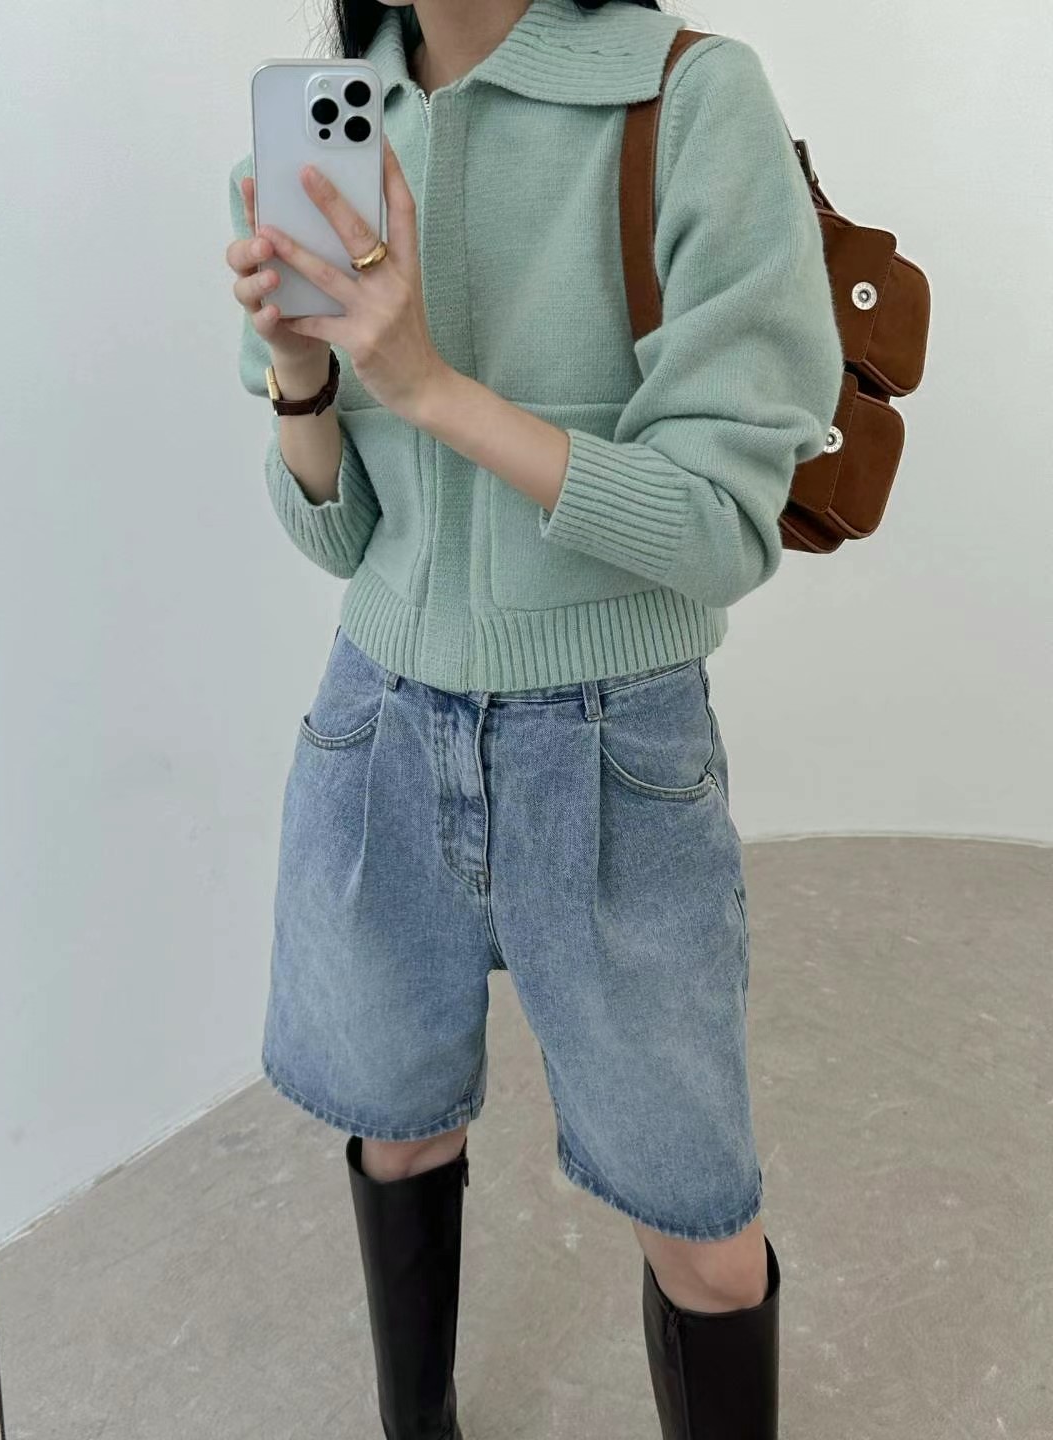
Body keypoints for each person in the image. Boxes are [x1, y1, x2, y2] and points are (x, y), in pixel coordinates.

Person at [225, 1, 842, 1435]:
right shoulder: (333, 129)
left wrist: (428, 386)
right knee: (397, 1132)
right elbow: (337, 538)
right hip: (377, 726)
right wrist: (304, 378)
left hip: (614, 747)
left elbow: (720, 524)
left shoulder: (687, 100)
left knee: (700, 1224)